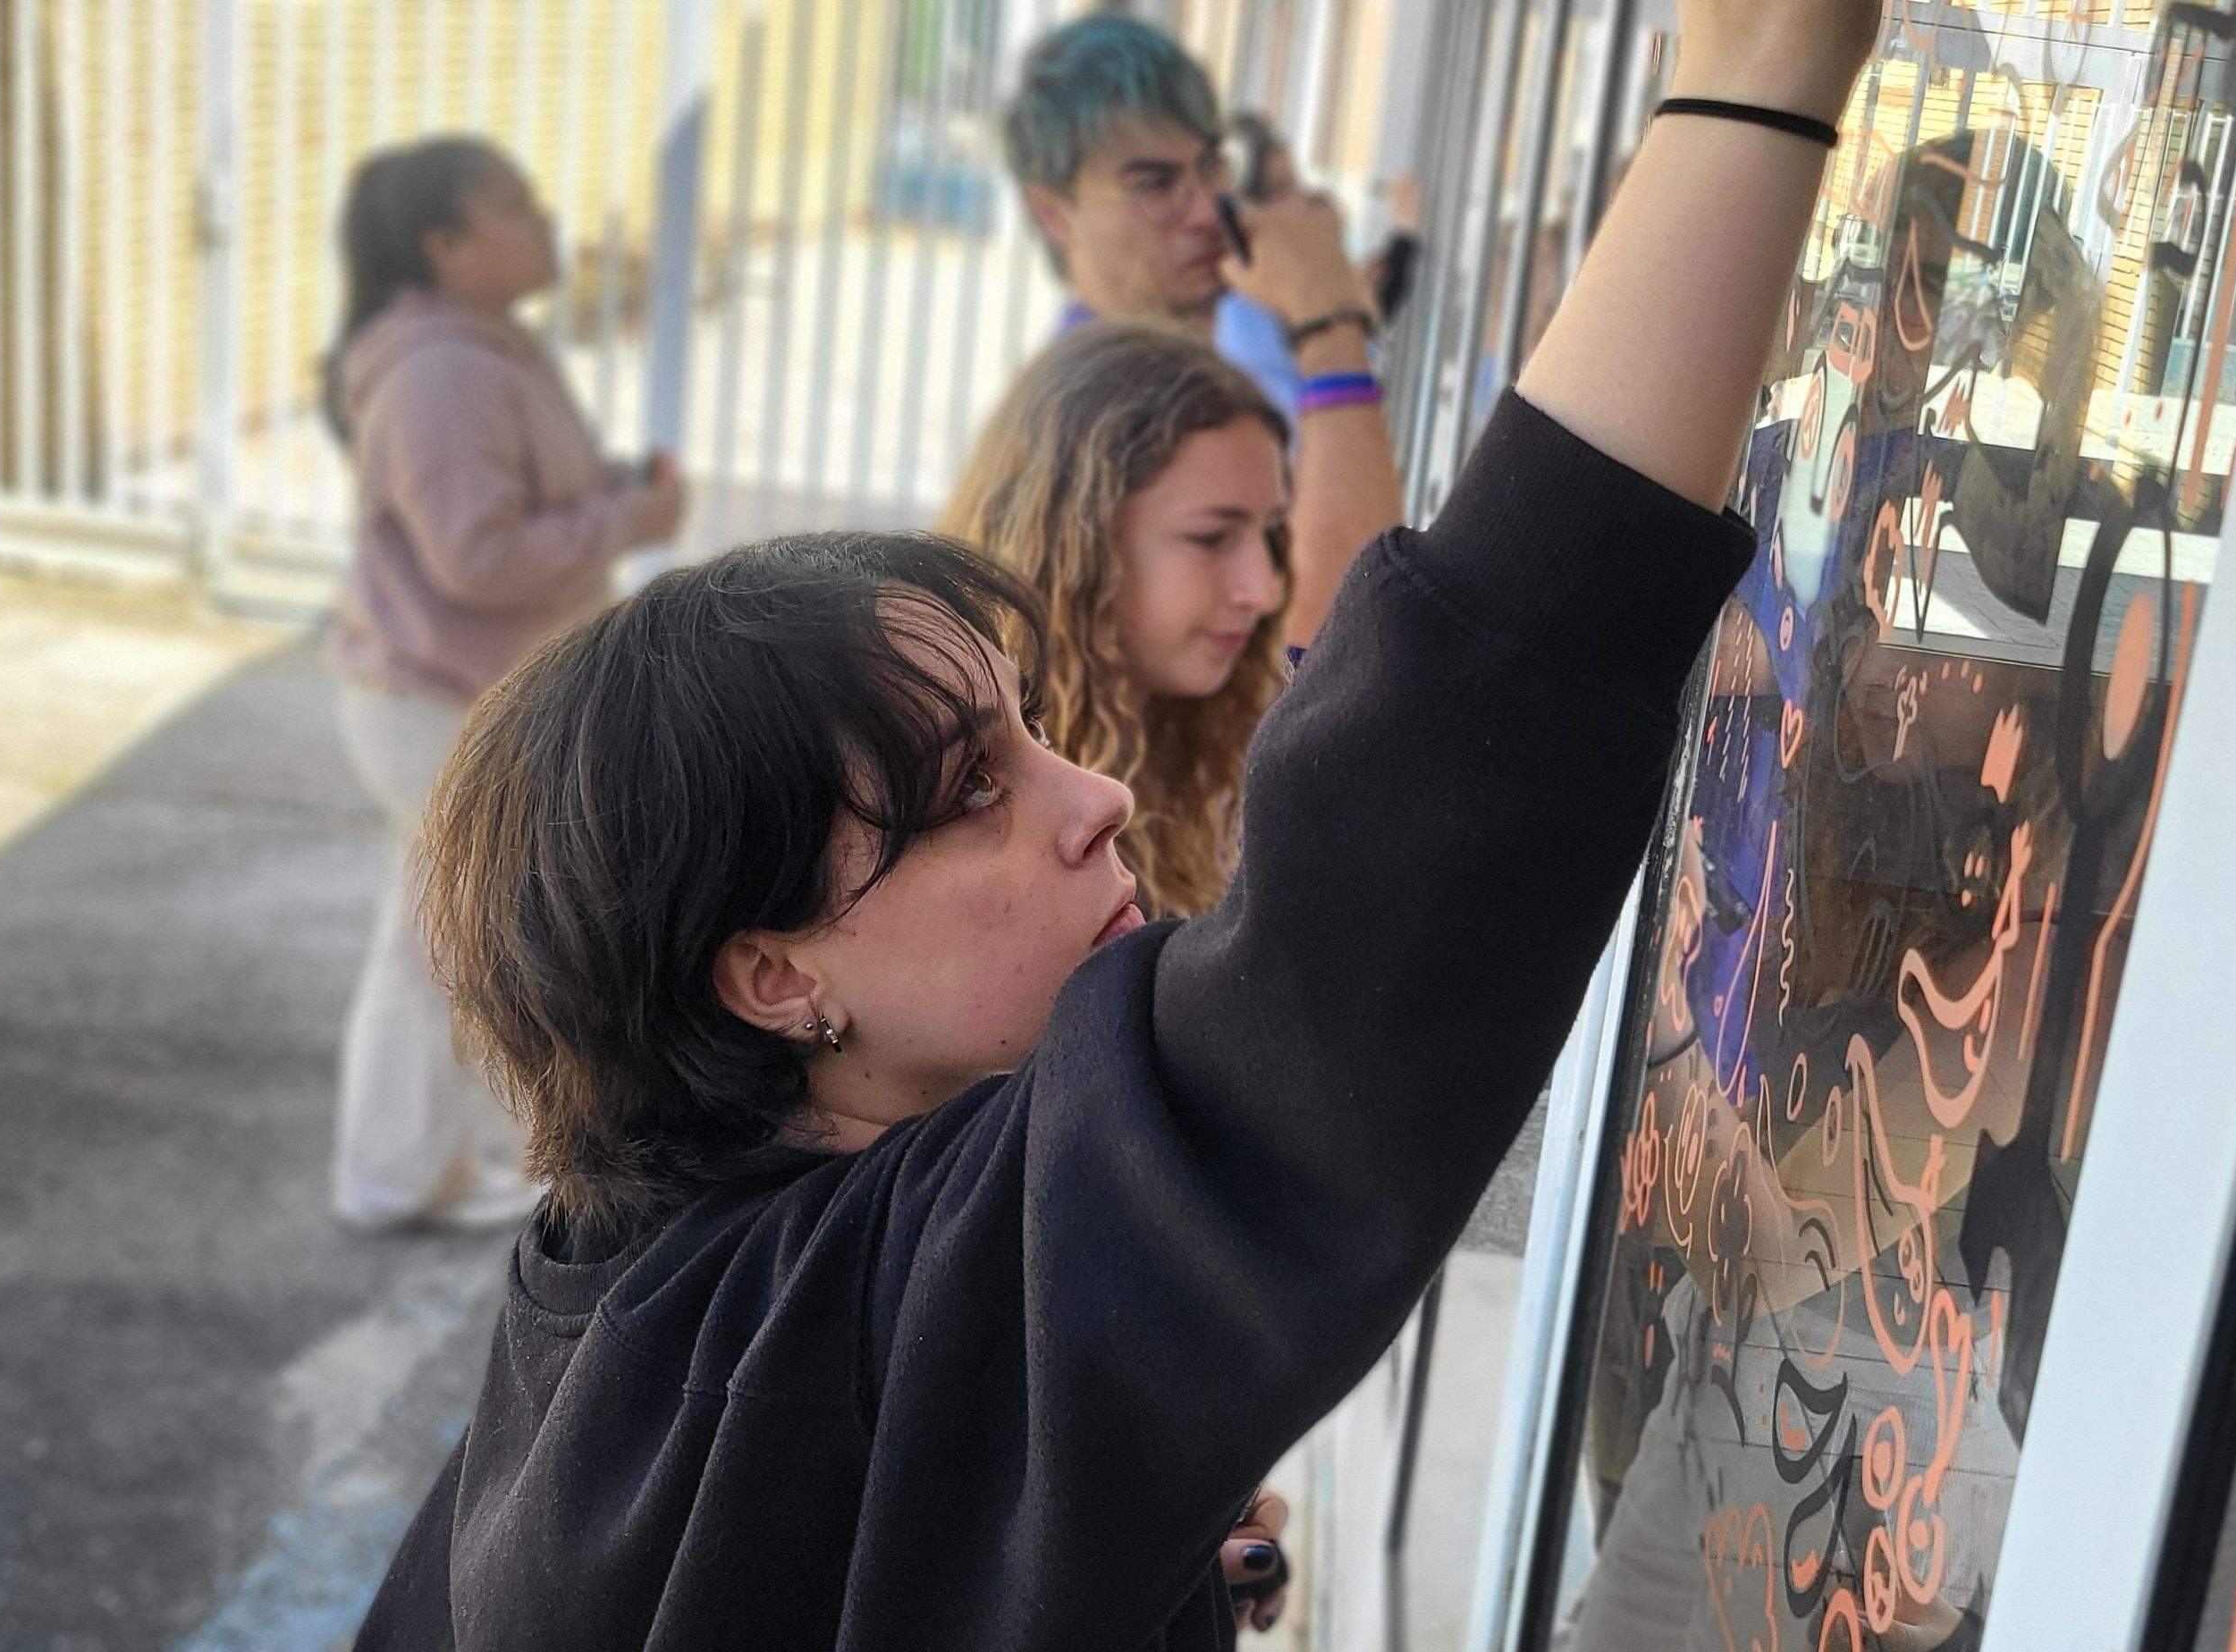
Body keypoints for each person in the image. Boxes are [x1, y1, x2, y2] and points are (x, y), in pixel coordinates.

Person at [354, 0, 1876, 1643]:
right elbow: (1387, 886)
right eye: (971, 794)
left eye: (1033, 733)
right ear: (774, 974)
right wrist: (1754, 82)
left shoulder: (617, 1282)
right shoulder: (839, 1327)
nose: (1097, 797)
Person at [319, 135, 686, 1231]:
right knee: (453, 946)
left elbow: (512, 504)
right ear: (443, 244)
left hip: (454, 698)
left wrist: (610, 495)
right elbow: (473, 557)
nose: (543, 220)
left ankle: (405, 1171)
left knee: (430, 943)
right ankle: (399, 1175)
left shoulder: (478, 350)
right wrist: (628, 521)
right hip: (438, 704)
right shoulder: (443, 370)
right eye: (513, 205)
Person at [1004, 16, 1401, 649]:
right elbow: (1339, 636)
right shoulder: (1102, 414)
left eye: (1211, 166)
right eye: (1154, 184)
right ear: (1054, 212)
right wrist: (1328, 319)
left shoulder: (1215, 349)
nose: (1206, 212)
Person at [939, 323, 1289, 918]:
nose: (1264, 589)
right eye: (1211, 538)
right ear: (1076, 546)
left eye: (1270, 534)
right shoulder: (960, 793)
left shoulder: (1222, 745)